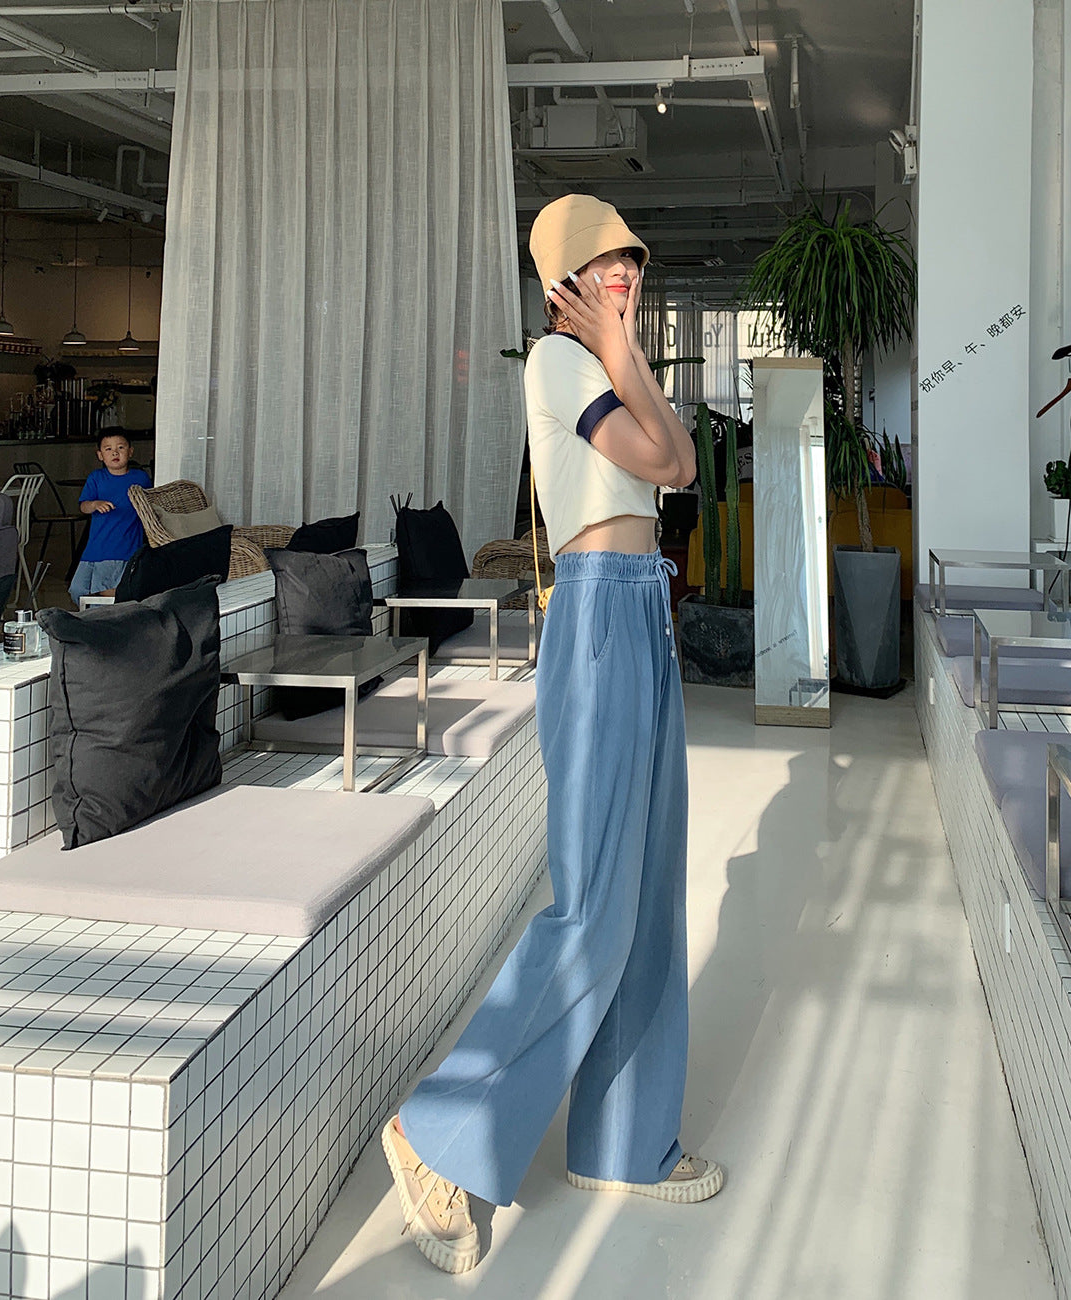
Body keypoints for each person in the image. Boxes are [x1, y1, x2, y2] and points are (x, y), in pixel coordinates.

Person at [381, 193, 720, 1275]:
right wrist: (618, 352)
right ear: (561, 284)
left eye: (630, 260)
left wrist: (632, 352)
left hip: (644, 610)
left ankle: (624, 1140)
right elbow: (658, 463)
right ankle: (438, 1135)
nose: (623, 273)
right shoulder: (557, 362)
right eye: (602, 262)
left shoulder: (610, 358)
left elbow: (686, 463)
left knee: (648, 894)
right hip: (600, 613)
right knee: (593, 907)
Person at [69, 431, 151, 606]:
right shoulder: (96, 478)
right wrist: (94, 504)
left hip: (122, 547)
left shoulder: (140, 478)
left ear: (130, 451)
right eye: (108, 449)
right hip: (94, 548)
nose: (115, 452)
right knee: (78, 590)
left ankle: (100, 621)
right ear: (100, 455)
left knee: (103, 594)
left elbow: (151, 507)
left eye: (121, 447)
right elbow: (83, 506)